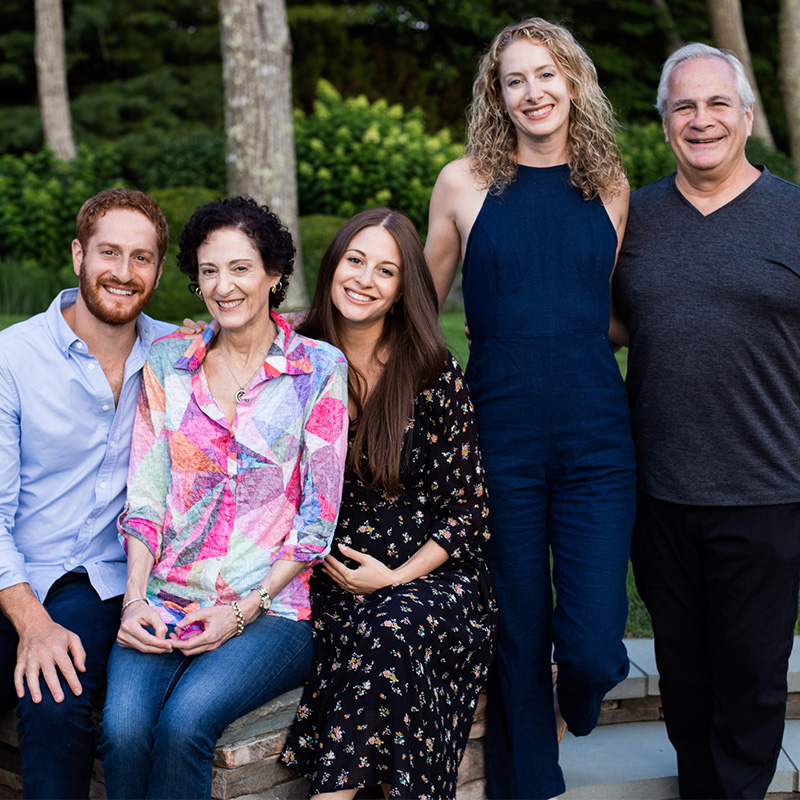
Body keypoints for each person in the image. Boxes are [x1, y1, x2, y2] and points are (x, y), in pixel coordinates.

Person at [425, 17, 636, 799]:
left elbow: (606, 313)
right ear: (497, 96)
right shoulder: (463, 183)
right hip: (498, 440)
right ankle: (527, 787)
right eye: (515, 80)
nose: (533, 91)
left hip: (595, 442)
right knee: (518, 634)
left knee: (588, 641)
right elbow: (414, 307)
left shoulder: (607, 184)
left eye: (545, 74)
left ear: (572, 81)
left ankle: (577, 694)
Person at [98, 197, 349, 800]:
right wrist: (135, 601)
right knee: (123, 729)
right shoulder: (167, 364)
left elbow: (317, 522)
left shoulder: (317, 370)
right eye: (209, 270)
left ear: (272, 274)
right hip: (168, 595)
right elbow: (147, 499)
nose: (223, 286)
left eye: (240, 268)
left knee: (186, 724)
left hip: (274, 608)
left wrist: (243, 611)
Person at [614, 42, 800, 799]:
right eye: (684, 106)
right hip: (659, 490)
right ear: (664, 124)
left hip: (768, 487)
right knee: (685, 677)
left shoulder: (793, 214)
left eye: (718, 103)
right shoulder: (634, 218)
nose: (702, 119)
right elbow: (595, 322)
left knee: (753, 678)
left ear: (747, 116)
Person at [279, 207, 496, 799]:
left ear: (403, 290)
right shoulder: (294, 356)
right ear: (333, 265)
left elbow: (469, 512)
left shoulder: (429, 369)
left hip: (432, 577)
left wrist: (395, 577)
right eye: (355, 260)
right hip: (328, 581)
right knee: (379, 643)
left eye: (386, 270)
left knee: (394, 627)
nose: (364, 279)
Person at [0, 188, 172, 799]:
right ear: (78, 255)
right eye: (109, 253)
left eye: (142, 258)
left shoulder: (179, 355)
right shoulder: (13, 356)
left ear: (156, 269)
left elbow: (263, 338)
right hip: (12, 573)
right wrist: (30, 621)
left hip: (101, 581)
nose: (123, 274)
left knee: (55, 703)